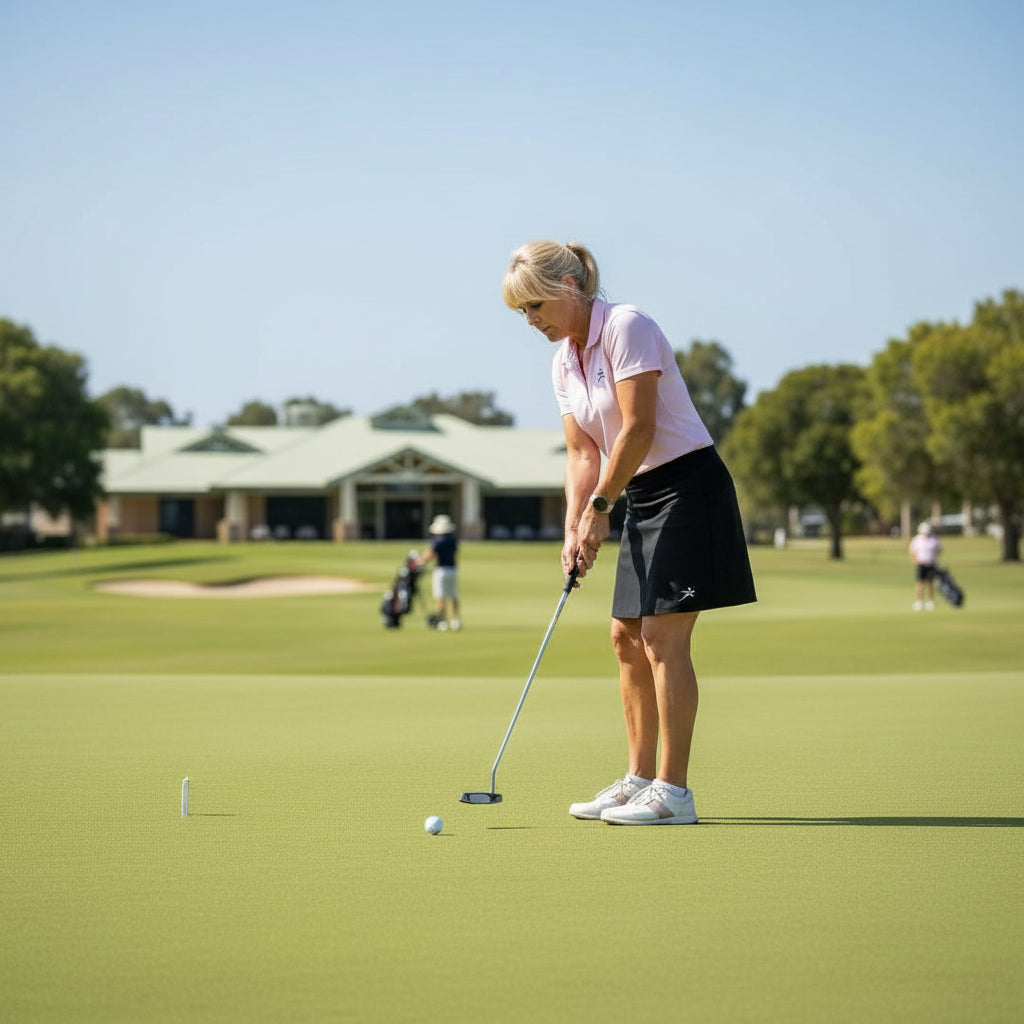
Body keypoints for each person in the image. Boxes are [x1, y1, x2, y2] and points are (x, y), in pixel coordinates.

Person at [502, 240, 756, 826]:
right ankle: (639, 780)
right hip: (637, 490)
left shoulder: (626, 326)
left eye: (535, 305)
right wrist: (575, 526)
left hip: (689, 488)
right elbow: (581, 452)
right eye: (522, 311)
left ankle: (674, 793)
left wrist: (600, 507)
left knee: (663, 639)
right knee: (626, 637)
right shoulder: (564, 362)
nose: (531, 320)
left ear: (569, 286)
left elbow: (639, 427)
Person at [418, 514, 461, 631]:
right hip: (452, 569)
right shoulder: (453, 540)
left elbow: (430, 554)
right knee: (453, 595)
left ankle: (443, 621)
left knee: (441, 596)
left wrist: (420, 562)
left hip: (441, 570)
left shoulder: (437, 541)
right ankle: (456, 620)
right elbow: (455, 555)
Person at [909, 521, 941, 611]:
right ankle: (918, 601)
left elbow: (938, 550)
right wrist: (915, 561)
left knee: (930, 583)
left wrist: (934, 558)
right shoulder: (917, 539)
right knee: (920, 583)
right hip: (921, 564)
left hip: (931, 563)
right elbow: (912, 551)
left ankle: (930, 601)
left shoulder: (934, 539)